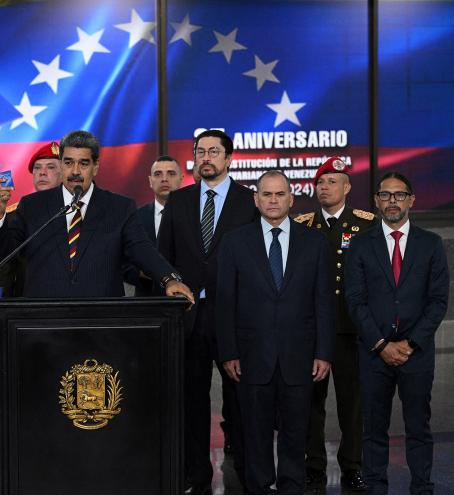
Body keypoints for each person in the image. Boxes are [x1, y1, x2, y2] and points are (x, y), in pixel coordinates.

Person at [216, 170, 335, 495]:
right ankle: (258, 487)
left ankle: (292, 488)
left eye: (279, 194)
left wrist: (324, 352)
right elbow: (225, 302)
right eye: (266, 194)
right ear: (256, 199)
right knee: (254, 434)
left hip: (300, 358)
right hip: (251, 359)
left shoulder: (314, 242)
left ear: (291, 199)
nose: (272, 200)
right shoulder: (235, 242)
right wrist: (228, 351)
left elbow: (323, 301)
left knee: (297, 434)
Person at [158, 129, 257, 494]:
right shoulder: (178, 201)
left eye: (214, 151)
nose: (206, 157)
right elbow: (164, 259)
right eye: (201, 151)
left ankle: (249, 472)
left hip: (236, 319)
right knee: (191, 402)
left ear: (229, 159)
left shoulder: (250, 202)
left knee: (242, 400)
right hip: (188, 320)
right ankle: (195, 475)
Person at [0, 130, 194, 303]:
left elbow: (142, 249)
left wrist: (169, 279)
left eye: (84, 164)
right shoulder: (32, 206)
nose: (75, 171)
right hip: (45, 320)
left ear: (96, 167)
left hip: (100, 321)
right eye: (68, 162)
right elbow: (6, 253)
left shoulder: (119, 207)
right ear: (61, 165)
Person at [345, 172, 449, 494]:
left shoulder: (431, 244)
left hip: (416, 355)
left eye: (399, 194)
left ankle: (422, 487)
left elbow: (438, 301)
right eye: (386, 195)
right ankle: (376, 487)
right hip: (374, 355)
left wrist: (409, 343)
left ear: (411, 200)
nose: (393, 201)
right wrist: (380, 344)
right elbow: (355, 300)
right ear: (376, 200)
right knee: (373, 429)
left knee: (418, 427)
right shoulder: (360, 245)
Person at [293, 157, 373, 491]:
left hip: (351, 329)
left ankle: (353, 464)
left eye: (333, 182)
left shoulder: (366, 224)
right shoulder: (302, 224)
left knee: (352, 402)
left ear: (347, 186)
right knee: (311, 402)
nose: (325, 188)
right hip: (312, 331)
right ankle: (313, 465)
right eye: (321, 183)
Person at [0, 141, 63, 297]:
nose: (42, 172)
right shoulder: (14, 215)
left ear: (63, 173)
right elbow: (6, 267)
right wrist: (0, 302)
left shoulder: (77, 210)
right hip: (26, 301)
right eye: (37, 168)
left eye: (50, 167)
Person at [123, 155, 183, 296]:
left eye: (171, 173)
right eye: (158, 174)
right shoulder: (134, 217)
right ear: (150, 181)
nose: (164, 179)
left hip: (188, 299)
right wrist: (147, 273)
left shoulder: (196, 215)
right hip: (147, 302)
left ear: (181, 179)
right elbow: (124, 263)